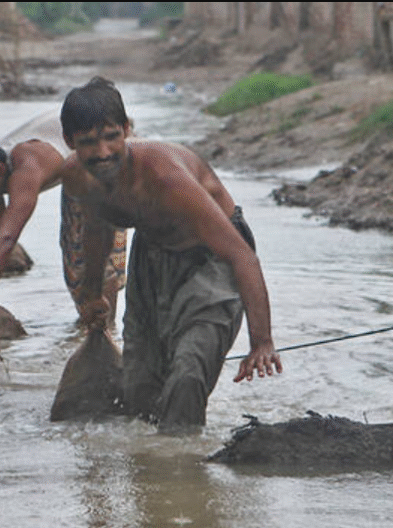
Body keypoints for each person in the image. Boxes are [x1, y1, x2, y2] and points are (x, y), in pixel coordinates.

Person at [60, 77, 282, 434]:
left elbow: (242, 257)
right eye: (88, 143)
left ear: (127, 130)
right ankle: (153, 473)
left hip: (212, 258)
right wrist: (91, 293)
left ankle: (182, 465)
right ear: (70, 142)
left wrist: (262, 341)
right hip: (151, 254)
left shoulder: (165, 177)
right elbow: (97, 228)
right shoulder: (75, 177)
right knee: (139, 387)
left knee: (188, 371)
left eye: (111, 137)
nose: (102, 152)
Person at [0, 116, 127, 327]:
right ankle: (89, 326)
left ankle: (105, 330)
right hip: (73, 167)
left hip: (101, 159)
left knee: (92, 256)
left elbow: (8, 237)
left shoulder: (26, 166)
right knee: (73, 266)